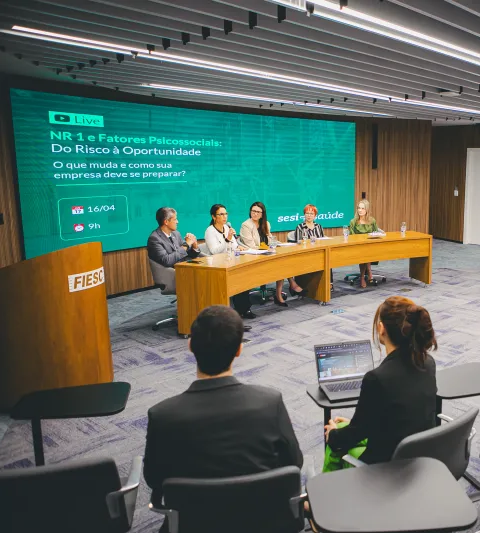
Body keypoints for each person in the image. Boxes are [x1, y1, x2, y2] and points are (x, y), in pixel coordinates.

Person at [143, 305, 303, 530]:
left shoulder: (162, 415)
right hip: (264, 521)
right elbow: (294, 462)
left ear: (190, 346)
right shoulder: (270, 402)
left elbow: (155, 479)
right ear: (239, 350)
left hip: (193, 524)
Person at [323, 296, 437, 470]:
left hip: (385, 468)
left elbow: (355, 434)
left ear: (381, 328)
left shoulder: (377, 378)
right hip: (418, 456)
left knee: (334, 443)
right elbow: (400, 413)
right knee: (342, 426)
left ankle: (322, 494)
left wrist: (332, 436)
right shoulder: (428, 362)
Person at [239, 202, 305, 307]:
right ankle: (289, 287)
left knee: (282, 261)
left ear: (262, 214)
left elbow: (270, 240)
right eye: (253, 211)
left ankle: (280, 294)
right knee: (280, 263)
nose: (255, 214)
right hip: (254, 255)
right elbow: (250, 245)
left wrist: (280, 245)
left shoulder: (266, 224)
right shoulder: (246, 225)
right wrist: (267, 248)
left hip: (266, 253)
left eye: (258, 212)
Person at [204, 204, 254, 318]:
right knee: (238, 277)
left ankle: (244, 309)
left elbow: (234, 245)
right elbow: (214, 251)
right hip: (217, 265)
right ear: (213, 216)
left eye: (225, 214)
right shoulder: (210, 231)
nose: (224, 216)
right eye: (221, 214)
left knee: (244, 275)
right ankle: (239, 310)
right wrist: (227, 239)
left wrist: (238, 247)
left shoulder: (226, 227)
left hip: (229, 261)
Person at [348, 199, 379, 288]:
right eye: (359, 208)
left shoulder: (372, 220)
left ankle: (364, 276)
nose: (360, 210)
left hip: (370, 245)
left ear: (367, 210)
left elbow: (376, 233)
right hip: (357, 246)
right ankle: (367, 274)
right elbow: (352, 236)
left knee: (367, 251)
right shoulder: (353, 221)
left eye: (363, 208)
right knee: (364, 253)